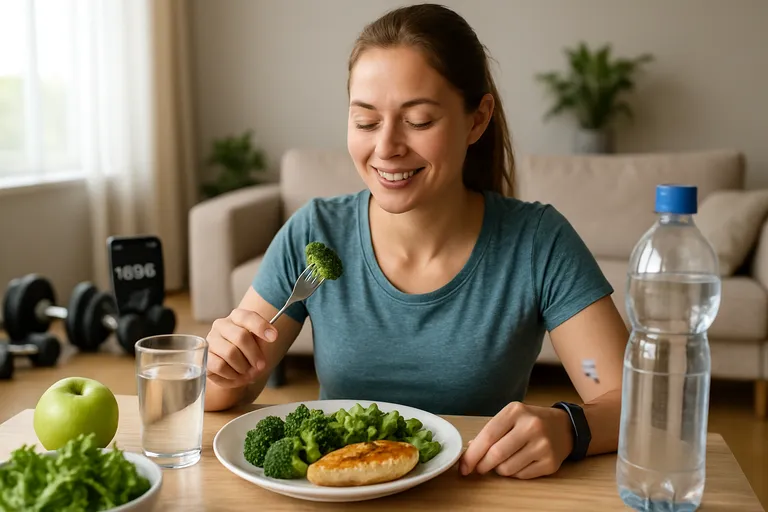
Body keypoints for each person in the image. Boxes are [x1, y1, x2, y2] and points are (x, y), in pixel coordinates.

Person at [203, 3, 628, 480]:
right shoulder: (315, 233)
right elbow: (227, 393)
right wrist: (220, 366)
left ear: (476, 119)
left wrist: (571, 426)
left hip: (477, 491)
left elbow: (625, 399)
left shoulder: (537, 243)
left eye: (420, 120)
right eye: (365, 122)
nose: (386, 147)